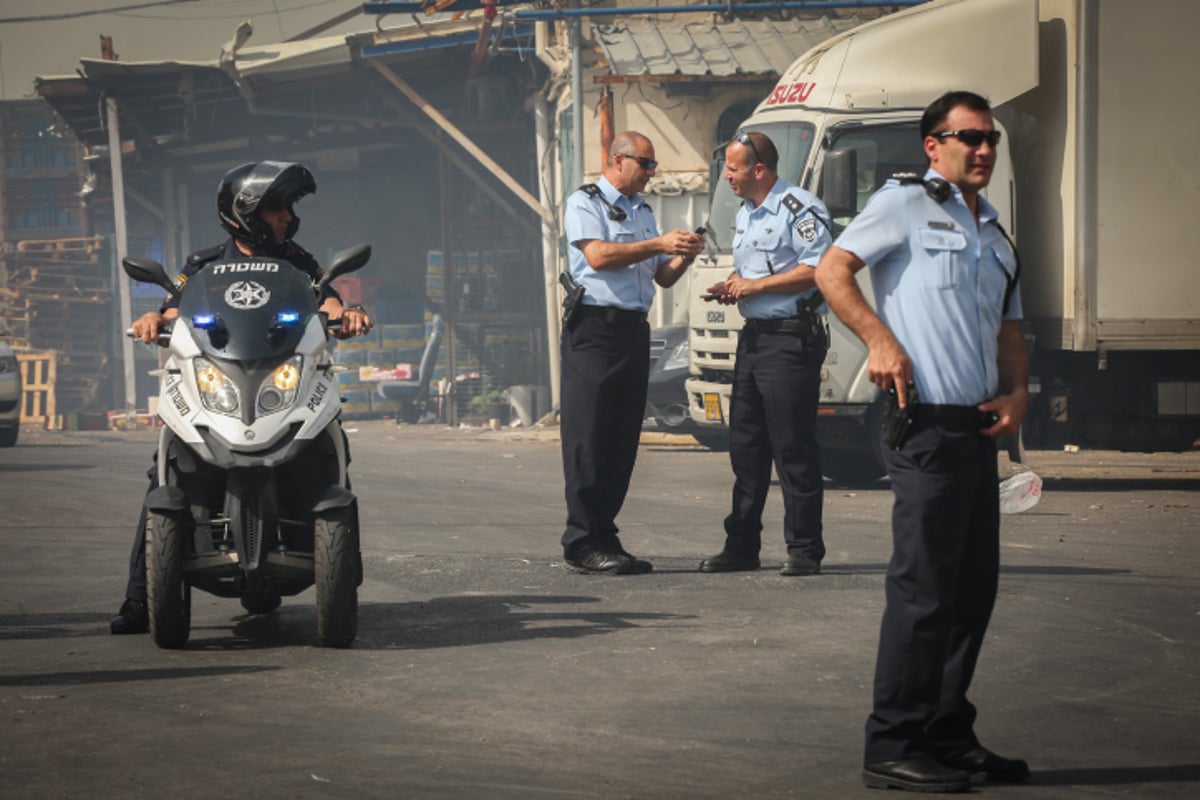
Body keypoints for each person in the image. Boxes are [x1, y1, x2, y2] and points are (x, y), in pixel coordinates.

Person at [815, 92, 1030, 792]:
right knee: (925, 589)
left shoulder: (996, 234)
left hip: (976, 431)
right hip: (924, 425)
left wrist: (1019, 393)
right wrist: (878, 339)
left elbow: (1007, 330)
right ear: (932, 144)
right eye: (968, 137)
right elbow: (832, 270)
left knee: (972, 591)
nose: (983, 150)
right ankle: (893, 741)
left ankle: (946, 732)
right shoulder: (905, 204)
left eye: (990, 138)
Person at [110, 160, 373, 634]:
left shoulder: (299, 261)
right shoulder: (205, 264)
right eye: (277, 209)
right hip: (221, 383)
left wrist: (347, 313)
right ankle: (139, 598)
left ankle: (341, 565)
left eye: (288, 208)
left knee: (329, 450)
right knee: (164, 473)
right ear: (247, 212)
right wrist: (155, 320)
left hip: (281, 382)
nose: (286, 218)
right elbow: (174, 306)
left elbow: (328, 300)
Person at [559, 131, 705, 574]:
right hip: (595, 331)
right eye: (646, 164)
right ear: (617, 160)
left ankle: (605, 534)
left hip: (632, 332)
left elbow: (660, 278)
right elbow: (599, 257)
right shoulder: (585, 202)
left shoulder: (642, 210)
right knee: (590, 438)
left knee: (621, 439)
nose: (651, 173)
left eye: (653, 165)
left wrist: (683, 254)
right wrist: (660, 243)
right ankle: (581, 540)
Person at [697, 131, 832, 577]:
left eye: (733, 169)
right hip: (754, 339)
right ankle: (741, 546)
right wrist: (736, 283)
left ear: (759, 170)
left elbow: (820, 268)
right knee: (747, 446)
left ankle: (805, 549)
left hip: (790, 339)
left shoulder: (800, 207)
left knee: (792, 446)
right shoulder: (748, 212)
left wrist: (755, 286)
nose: (727, 177)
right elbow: (760, 268)